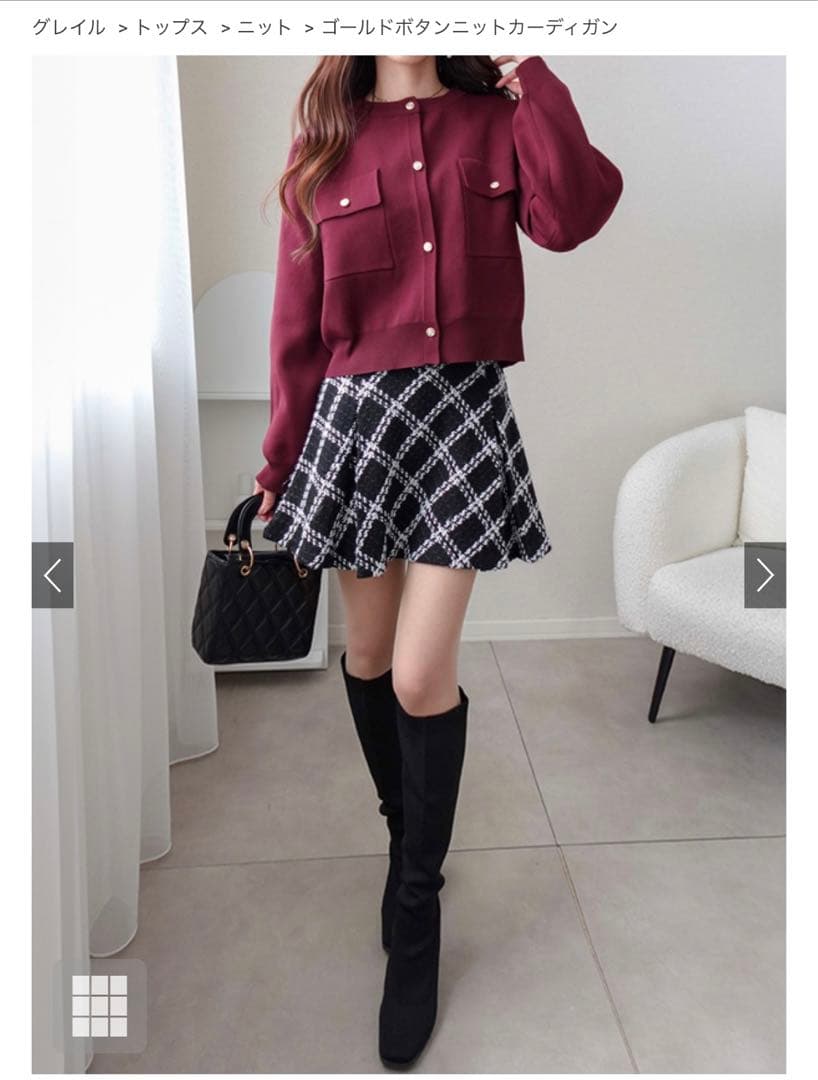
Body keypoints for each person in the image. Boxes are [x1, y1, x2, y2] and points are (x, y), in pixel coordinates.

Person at [252, 54, 623, 1068]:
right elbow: (295, 324)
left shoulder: (494, 118)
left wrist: (532, 75)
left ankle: (417, 911)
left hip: (459, 420)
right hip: (354, 429)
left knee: (421, 678)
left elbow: (575, 214)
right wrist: (280, 462)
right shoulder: (324, 139)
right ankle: (402, 833)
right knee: (369, 660)